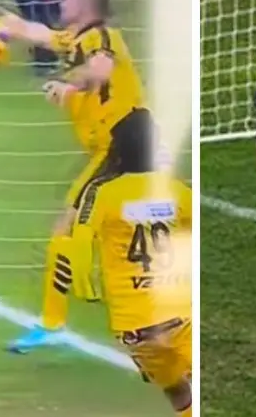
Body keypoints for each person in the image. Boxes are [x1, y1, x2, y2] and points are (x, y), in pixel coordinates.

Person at [0, 0, 147, 352]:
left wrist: (70, 84)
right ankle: (121, 317)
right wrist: (0, 28)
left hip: (124, 146)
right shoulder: (76, 39)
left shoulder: (99, 38)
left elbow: (99, 70)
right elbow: (37, 32)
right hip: (122, 147)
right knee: (115, 234)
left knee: (69, 229)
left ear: (83, 6)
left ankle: (54, 322)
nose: (60, 4)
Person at [76, 109, 192, 416]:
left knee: (176, 390)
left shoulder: (102, 192)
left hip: (135, 323)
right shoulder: (176, 190)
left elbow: (81, 238)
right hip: (180, 313)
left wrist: (85, 285)